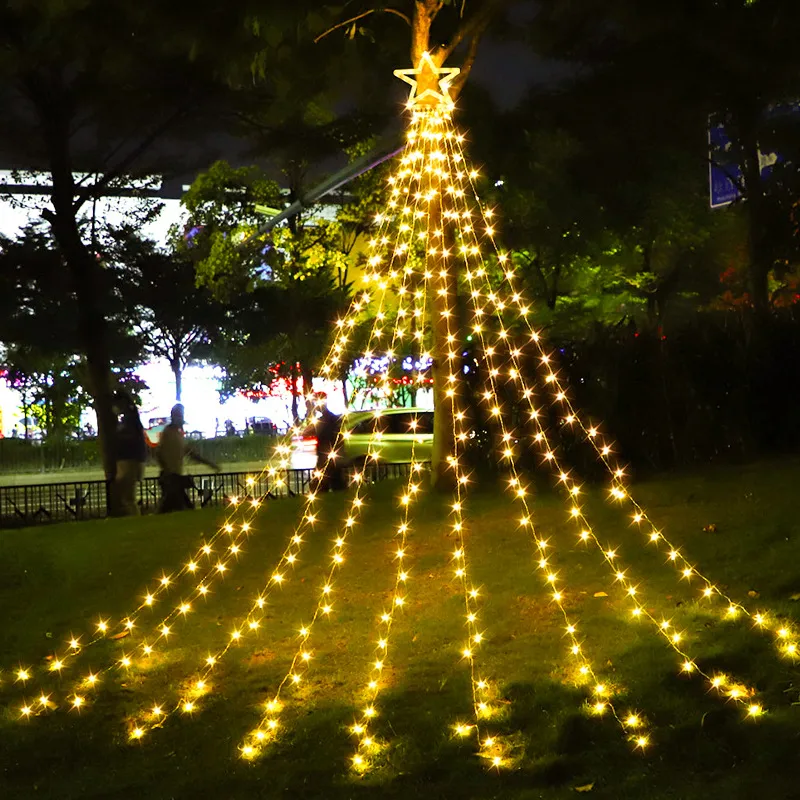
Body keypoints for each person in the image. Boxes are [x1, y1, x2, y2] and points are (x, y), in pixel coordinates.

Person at [157, 404, 220, 513]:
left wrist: (209, 464)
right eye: (180, 415)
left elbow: (190, 453)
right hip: (171, 478)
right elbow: (159, 453)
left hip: (173, 478)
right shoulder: (169, 433)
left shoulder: (175, 433)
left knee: (172, 508)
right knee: (180, 508)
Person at [113, 390, 147, 516]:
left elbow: (130, 438)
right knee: (128, 497)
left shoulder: (130, 420)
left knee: (129, 498)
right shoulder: (132, 418)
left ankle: (136, 519)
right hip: (131, 460)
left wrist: (118, 436)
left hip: (129, 460)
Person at [312, 393, 343, 491]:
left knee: (325, 479)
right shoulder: (327, 418)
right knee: (332, 479)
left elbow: (330, 436)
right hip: (328, 453)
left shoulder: (329, 419)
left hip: (327, 453)